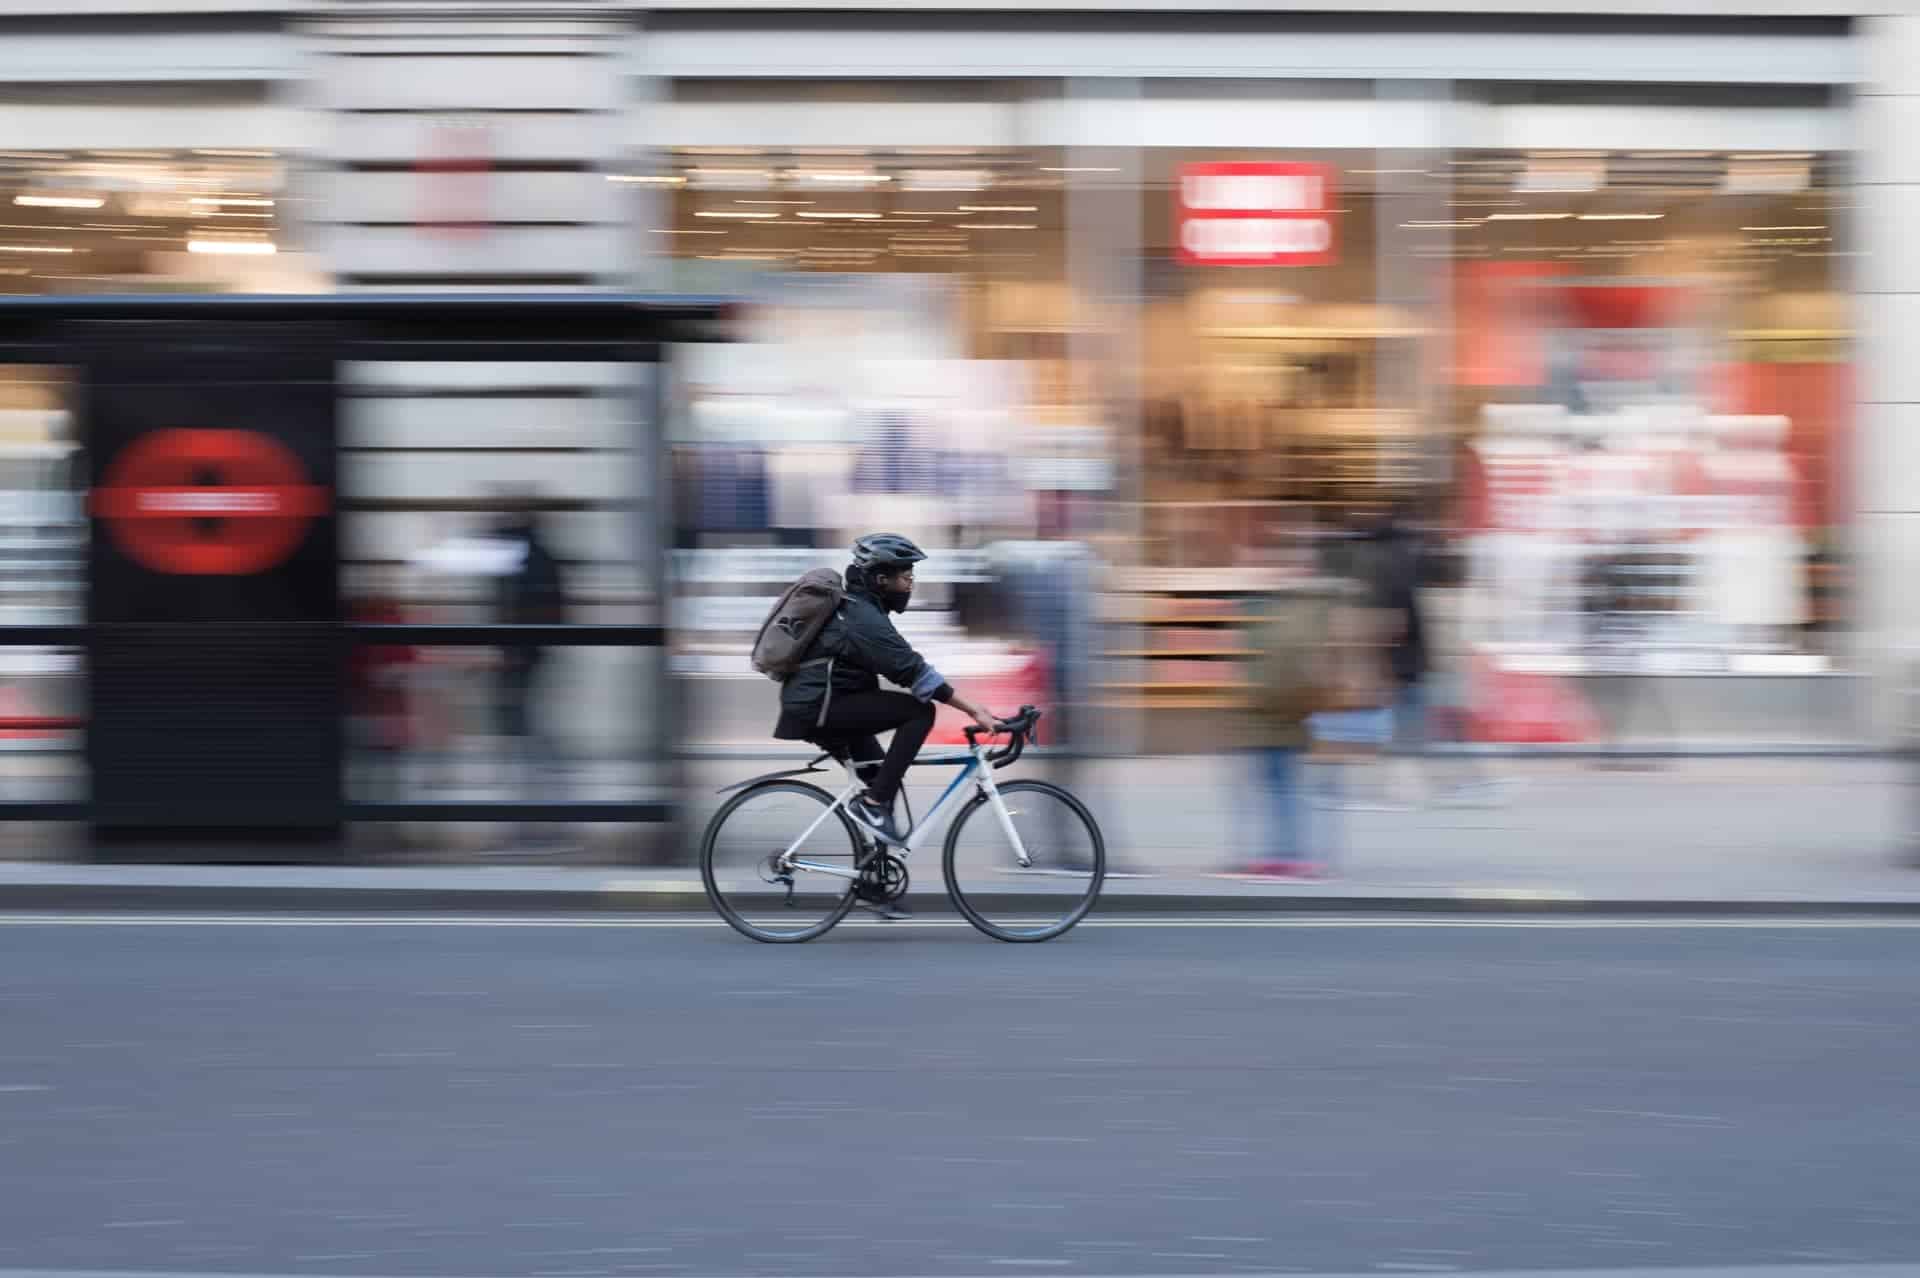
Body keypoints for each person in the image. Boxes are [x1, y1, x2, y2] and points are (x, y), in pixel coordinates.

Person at [774, 533, 1000, 850]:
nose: (911, 583)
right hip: (820, 708)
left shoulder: (861, 609)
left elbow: (903, 666)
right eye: (906, 576)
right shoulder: (861, 617)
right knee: (920, 711)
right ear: (881, 579)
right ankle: (874, 805)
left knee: (882, 781)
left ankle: (873, 884)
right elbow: (912, 671)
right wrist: (974, 709)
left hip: (826, 705)